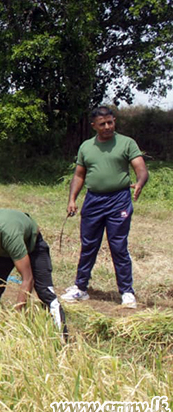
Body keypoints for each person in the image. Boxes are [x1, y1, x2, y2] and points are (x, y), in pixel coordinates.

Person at [61, 106, 148, 308]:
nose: (108, 126)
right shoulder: (86, 147)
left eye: (111, 122)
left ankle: (126, 292)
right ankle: (81, 288)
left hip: (119, 200)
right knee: (89, 244)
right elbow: (79, 175)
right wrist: (72, 199)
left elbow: (140, 168)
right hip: (93, 201)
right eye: (103, 124)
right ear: (94, 126)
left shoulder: (126, 143)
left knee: (118, 246)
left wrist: (140, 182)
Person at [0, 211, 67, 337]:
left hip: (32, 246)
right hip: (3, 250)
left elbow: (28, 278)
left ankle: (62, 339)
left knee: (44, 291)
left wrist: (16, 314)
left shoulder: (10, 236)